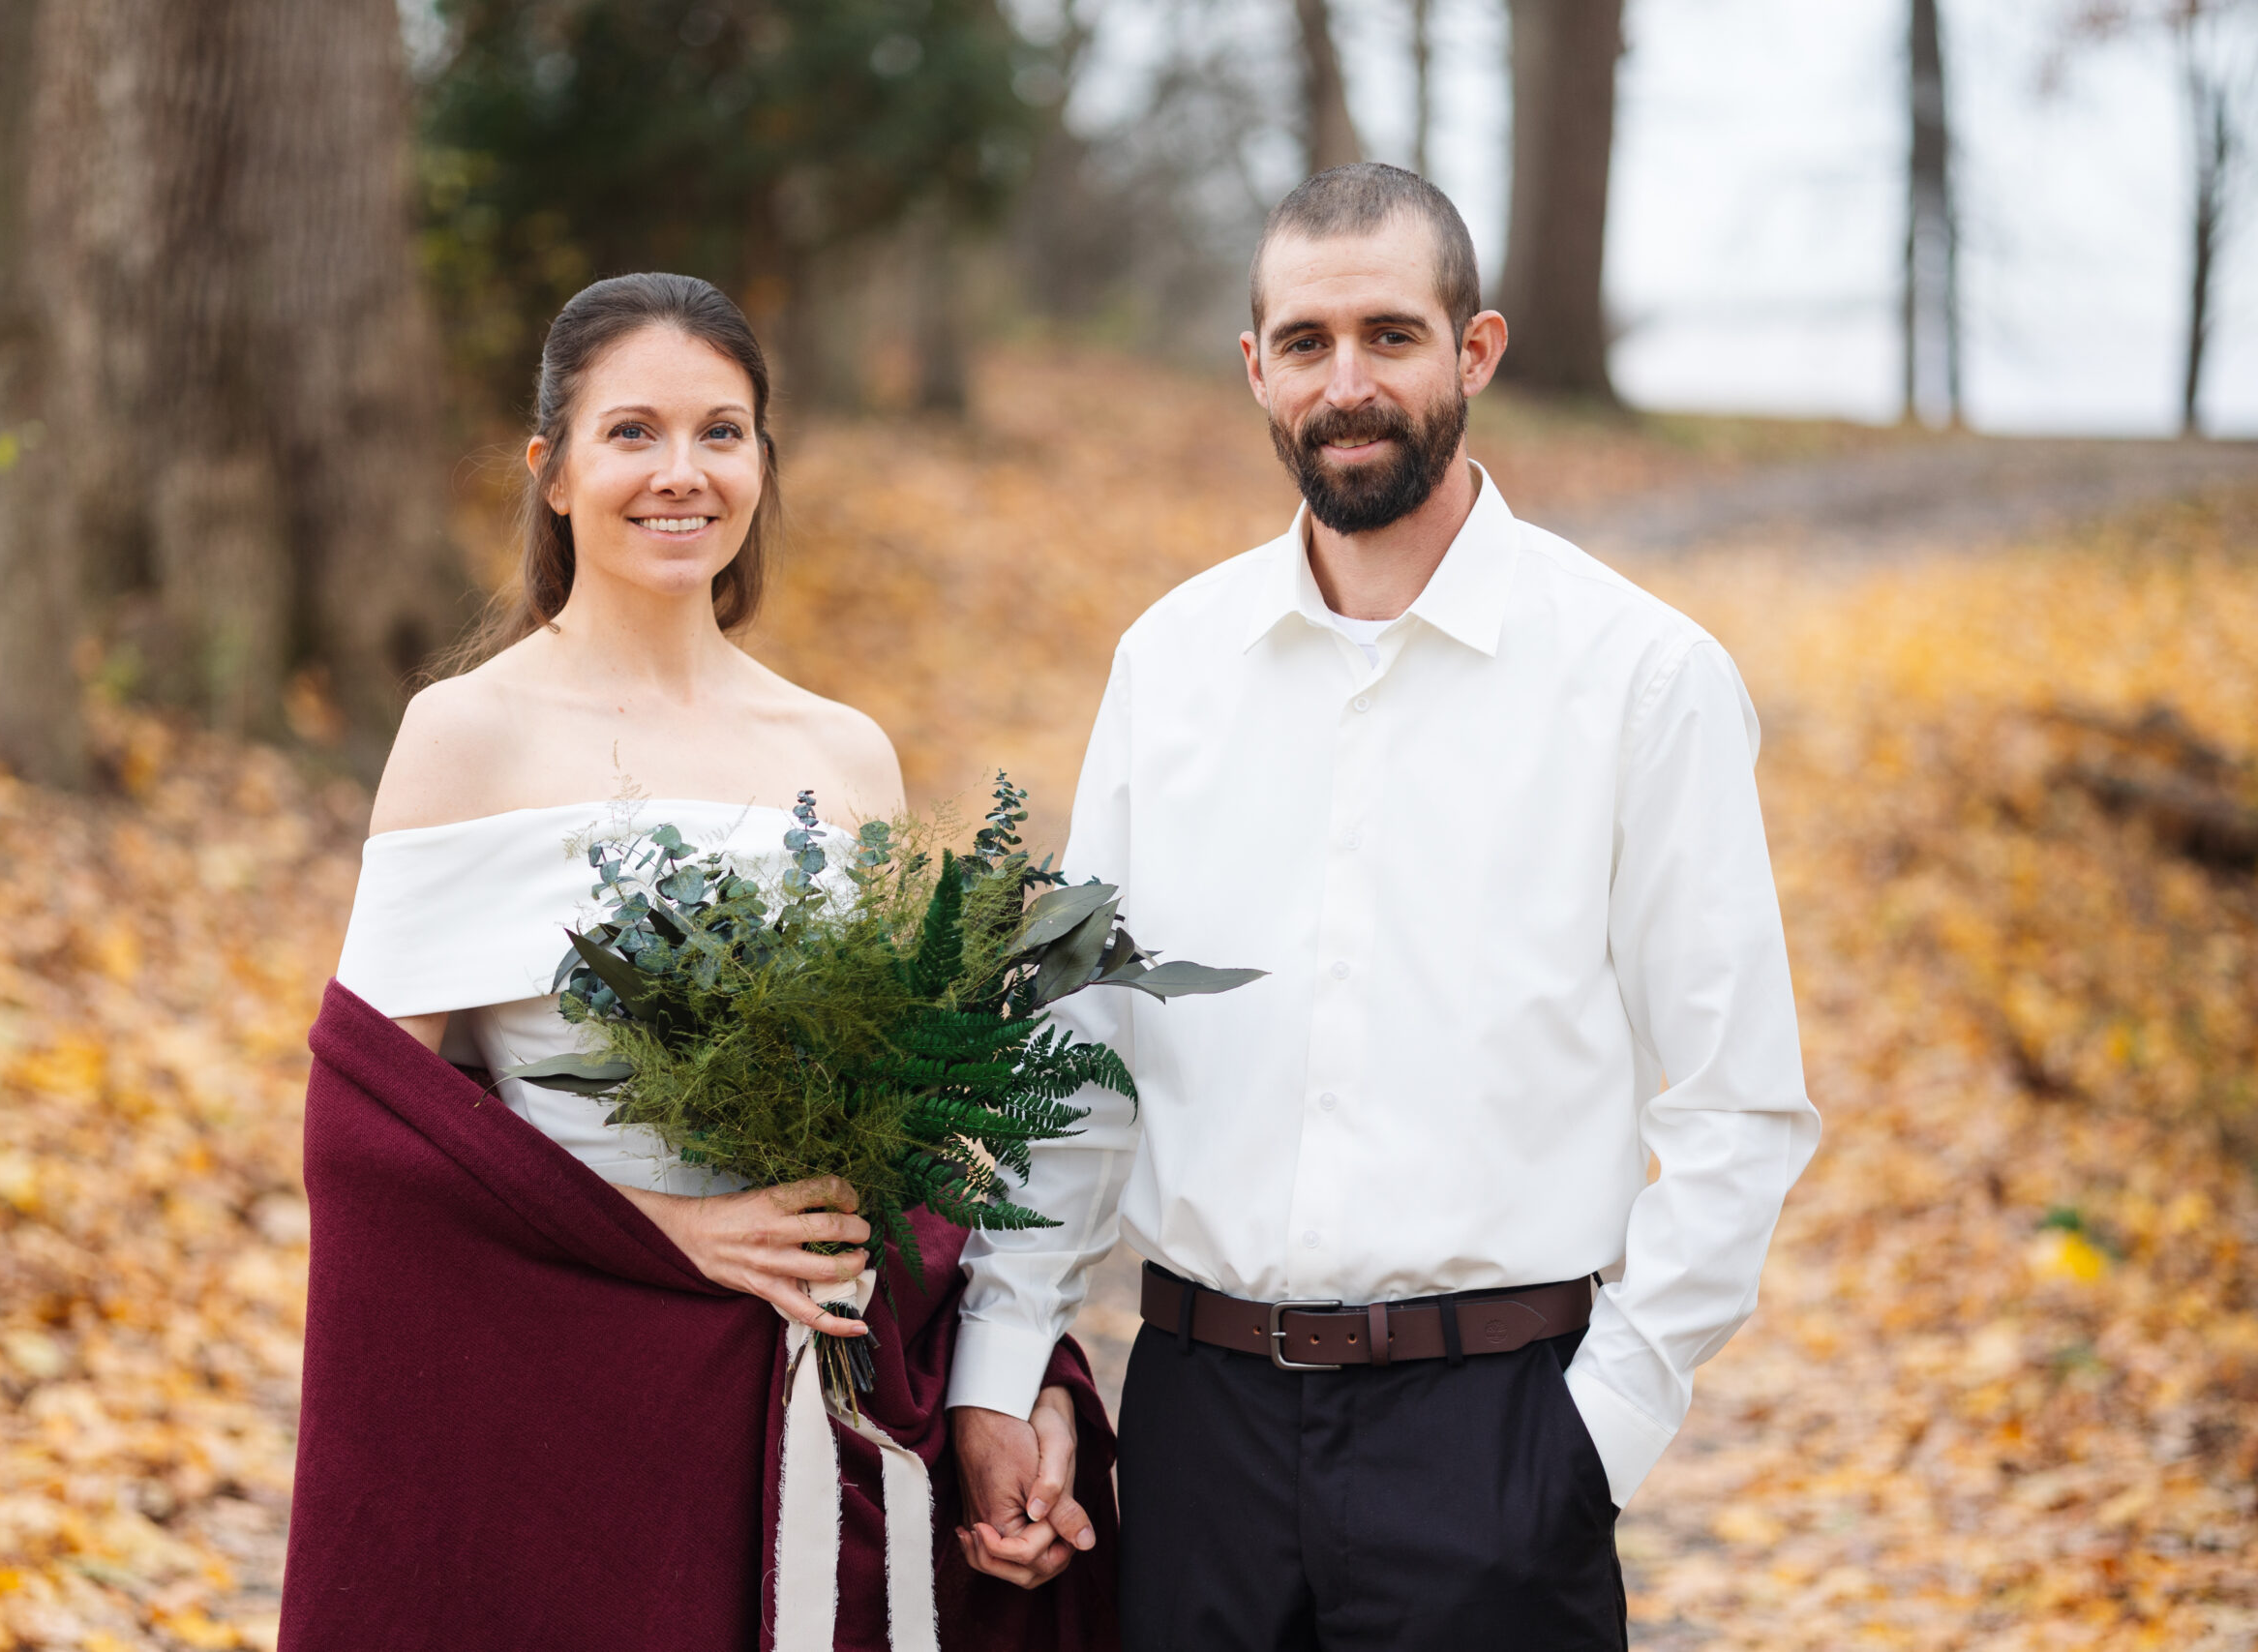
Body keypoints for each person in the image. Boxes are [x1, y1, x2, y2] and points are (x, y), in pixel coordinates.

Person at [948, 164, 1822, 1648]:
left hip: (1495, 1441)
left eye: (1390, 336)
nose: (1347, 385)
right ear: (1256, 370)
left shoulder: (1639, 676)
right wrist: (994, 1360)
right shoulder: (1172, 665)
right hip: (1200, 1438)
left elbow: (1741, 1106)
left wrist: (1597, 1433)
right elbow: (1078, 1060)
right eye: (1305, 344)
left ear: (1472, 351)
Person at [283, 272, 1114, 1651]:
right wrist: (664, 1237)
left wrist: (1023, 1377)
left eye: (722, 433)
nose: (682, 474)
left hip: (817, 1401)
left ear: (763, 464)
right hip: (581, 1402)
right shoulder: (466, 737)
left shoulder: (842, 754)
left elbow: (911, 1124)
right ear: (551, 472)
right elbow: (368, 1134)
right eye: (633, 433)